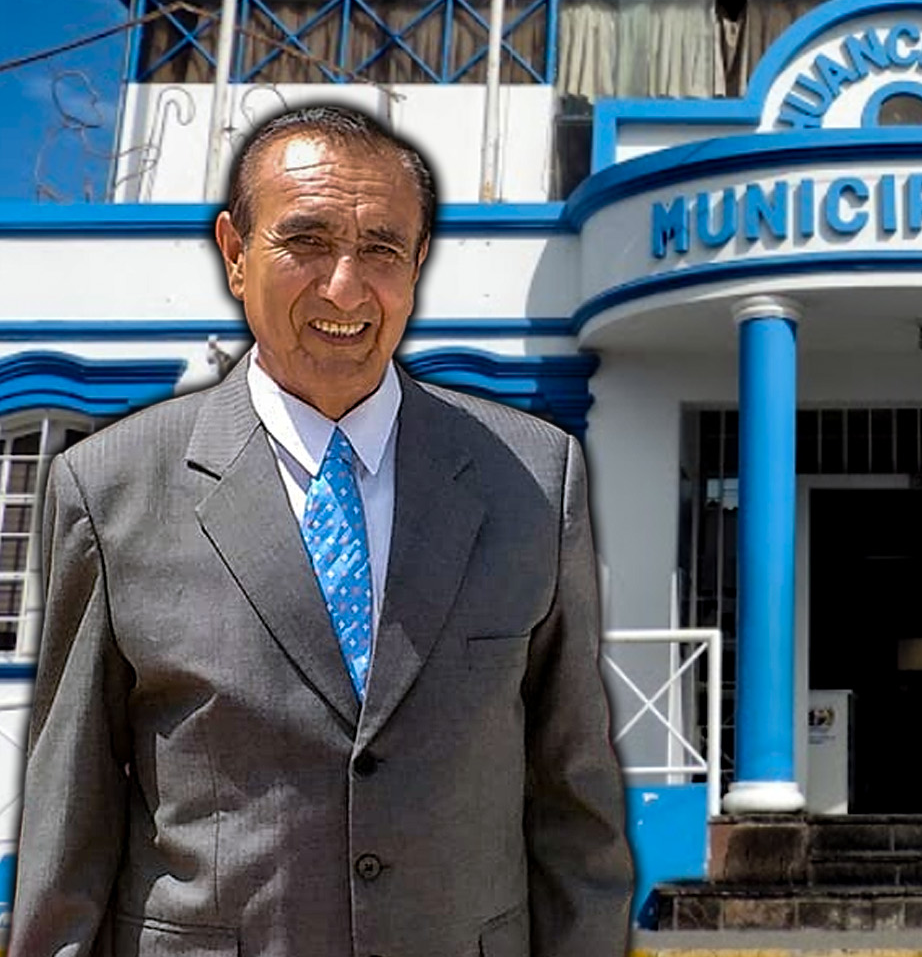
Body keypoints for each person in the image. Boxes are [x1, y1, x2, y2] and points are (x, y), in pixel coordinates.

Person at [14, 105, 633, 957]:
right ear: (236, 252)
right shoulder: (110, 487)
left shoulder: (531, 478)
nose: (344, 288)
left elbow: (576, 801)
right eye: (305, 241)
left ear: (417, 264)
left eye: (381, 249)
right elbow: (71, 820)